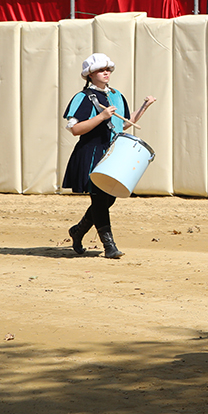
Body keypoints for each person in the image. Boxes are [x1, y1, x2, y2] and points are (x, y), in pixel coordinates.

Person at [63, 54, 136, 260]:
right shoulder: (82, 97)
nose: (106, 73)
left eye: (108, 69)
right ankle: (109, 246)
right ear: (90, 74)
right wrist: (101, 116)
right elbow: (75, 129)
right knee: (98, 198)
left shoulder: (117, 95)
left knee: (108, 198)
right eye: (101, 70)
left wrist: (143, 108)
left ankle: (78, 231)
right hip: (92, 153)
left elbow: (124, 124)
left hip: (112, 153)